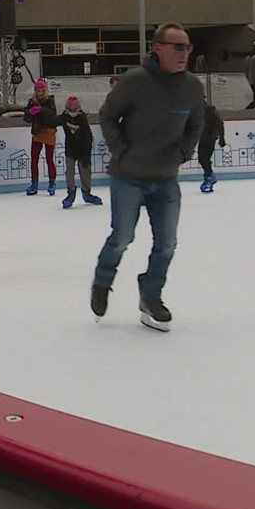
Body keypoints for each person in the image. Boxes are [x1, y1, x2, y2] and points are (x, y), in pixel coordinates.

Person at [91, 22, 206, 332]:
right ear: (158, 48)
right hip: (129, 176)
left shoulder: (193, 87)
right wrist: (121, 151)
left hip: (166, 179)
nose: (184, 53)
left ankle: (151, 296)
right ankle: (102, 282)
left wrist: (184, 152)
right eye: (177, 47)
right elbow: (107, 115)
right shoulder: (135, 81)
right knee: (121, 238)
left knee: (167, 244)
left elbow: (196, 123)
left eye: (188, 47)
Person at [56, 95, 101, 209]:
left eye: (74, 111)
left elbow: (88, 137)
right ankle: (70, 193)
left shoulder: (83, 119)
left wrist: (86, 156)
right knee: (69, 172)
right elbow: (52, 121)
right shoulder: (64, 117)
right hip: (70, 150)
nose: (72, 114)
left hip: (83, 150)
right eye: (70, 111)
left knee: (85, 171)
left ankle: (86, 192)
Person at [23, 79, 59, 196]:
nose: (41, 93)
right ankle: (34, 184)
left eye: (43, 90)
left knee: (49, 159)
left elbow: (52, 114)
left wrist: (41, 110)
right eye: (39, 91)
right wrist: (30, 113)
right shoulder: (32, 102)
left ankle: (52, 183)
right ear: (35, 91)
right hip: (37, 133)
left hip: (49, 131)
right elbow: (26, 118)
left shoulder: (50, 101)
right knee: (34, 159)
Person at [197, 104, 226, 194]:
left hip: (210, 138)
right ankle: (209, 176)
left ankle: (209, 177)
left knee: (204, 158)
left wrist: (221, 138)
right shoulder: (197, 111)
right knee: (202, 158)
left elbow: (220, 124)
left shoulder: (210, 112)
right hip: (203, 138)